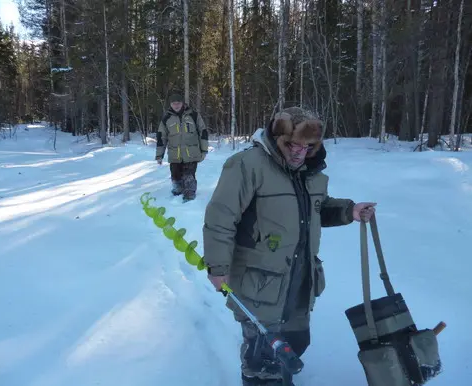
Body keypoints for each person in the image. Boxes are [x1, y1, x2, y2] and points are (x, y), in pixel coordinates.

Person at [202, 107, 376, 386]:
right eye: (293, 145)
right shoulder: (247, 165)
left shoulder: (310, 172)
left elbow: (316, 209)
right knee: (262, 354)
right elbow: (220, 217)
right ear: (277, 139)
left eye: (307, 146)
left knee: (295, 341)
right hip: (260, 281)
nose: (299, 152)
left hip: (300, 277)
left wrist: (349, 211)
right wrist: (217, 266)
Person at [155, 93, 209, 202]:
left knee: (189, 176)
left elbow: (203, 132)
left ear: (182, 103)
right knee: (175, 176)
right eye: (173, 103)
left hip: (191, 153)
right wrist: (159, 155)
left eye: (178, 103)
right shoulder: (166, 118)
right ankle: (178, 191)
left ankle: (189, 195)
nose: (176, 105)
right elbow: (161, 137)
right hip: (175, 154)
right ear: (170, 104)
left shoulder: (193, 115)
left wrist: (204, 150)